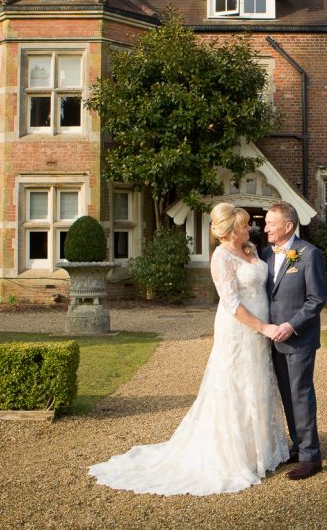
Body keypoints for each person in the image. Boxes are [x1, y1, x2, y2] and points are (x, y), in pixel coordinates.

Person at [88, 203, 288, 495]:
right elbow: (232, 305)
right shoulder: (220, 257)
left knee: (258, 383)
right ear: (232, 230)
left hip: (260, 333)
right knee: (235, 386)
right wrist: (264, 327)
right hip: (241, 331)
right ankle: (235, 455)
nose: (251, 229)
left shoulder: (251, 251)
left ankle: (262, 449)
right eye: (245, 225)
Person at [261, 201, 327, 480]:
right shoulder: (265, 254)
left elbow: (316, 299)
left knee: (301, 394)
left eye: (270, 224)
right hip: (273, 339)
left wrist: (291, 325)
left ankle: (312, 457)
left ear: (288, 226)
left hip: (298, 338)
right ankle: (299, 445)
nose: (264, 228)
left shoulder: (309, 254)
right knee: (287, 395)